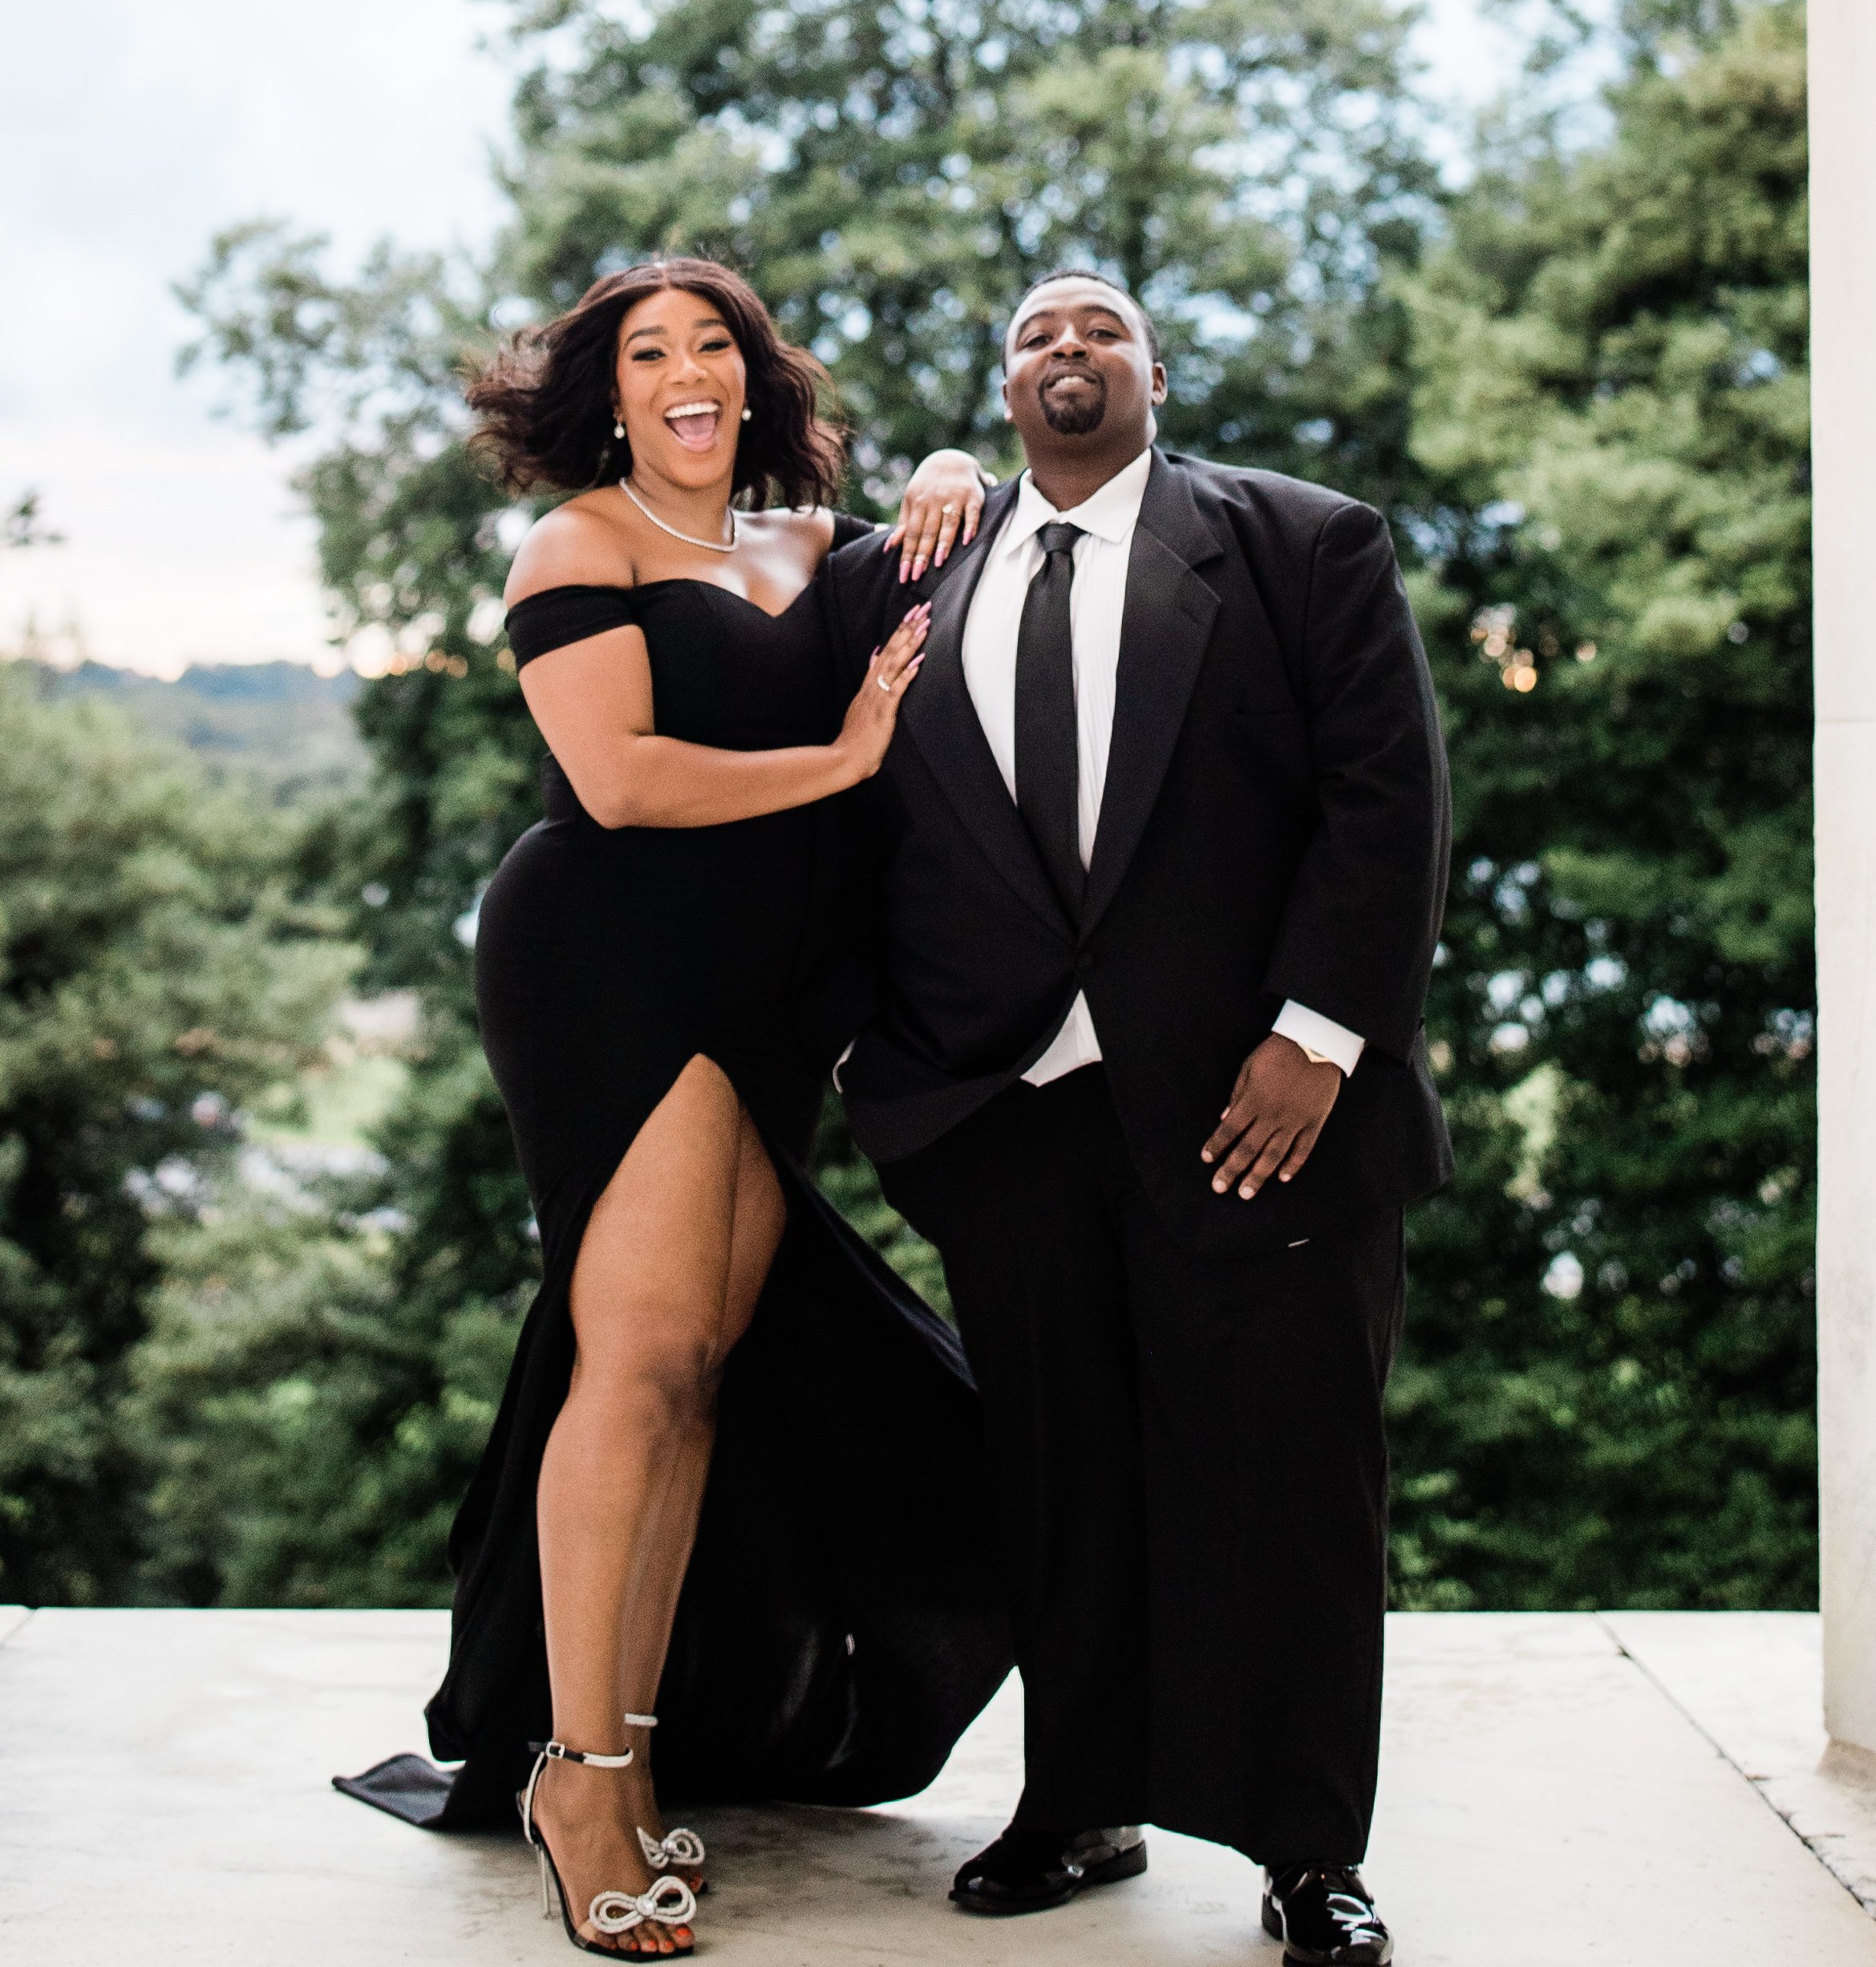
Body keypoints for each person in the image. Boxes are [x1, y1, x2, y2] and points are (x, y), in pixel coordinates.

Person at [335, 257, 1011, 1960]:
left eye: (715, 346)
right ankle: (579, 1782)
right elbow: (622, 780)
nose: (688, 373)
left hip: (769, 1002)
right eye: (651, 353)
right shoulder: (582, 546)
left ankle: (626, 1754)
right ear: (613, 397)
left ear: (751, 382)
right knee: (637, 1363)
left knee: (698, 1372)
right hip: (615, 971)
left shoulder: (789, 547)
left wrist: (953, 478)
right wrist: (840, 762)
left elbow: (938, 568)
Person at [821, 271, 1453, 1966]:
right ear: (1005, 386)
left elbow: (1387, 800)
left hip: (1261, 1109)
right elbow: (839, 812)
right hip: (1009, 1118)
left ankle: (1308, 1847)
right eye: (1035, 334)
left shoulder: (1303, 546)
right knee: (1061, 1479)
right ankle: (1079, 1802)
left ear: (1156, 375)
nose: (1069, 350)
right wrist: (887, 1076)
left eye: (1101, 328)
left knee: (1293, 1481)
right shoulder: (917, 575)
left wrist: (1319, 1036)